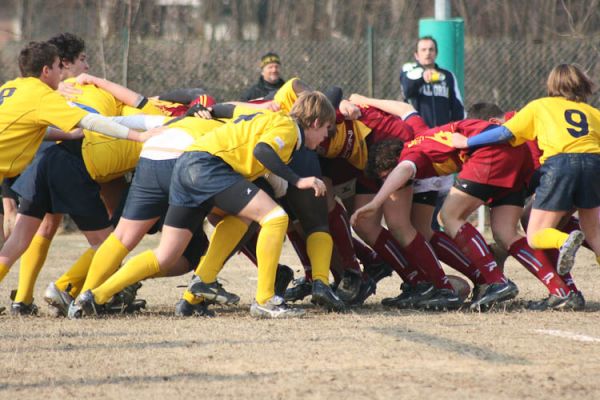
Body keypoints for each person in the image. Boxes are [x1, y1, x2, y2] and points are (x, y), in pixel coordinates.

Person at [70, 91, 337, 319]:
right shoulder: (289, 129)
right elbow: (262, 151)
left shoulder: (270, 118)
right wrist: (299, 180)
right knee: (275, 217)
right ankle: (265, 300)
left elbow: (228, 110)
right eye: (327, 130)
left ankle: (95, 296)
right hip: (207, 167)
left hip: (186, 166)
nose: (326, 137)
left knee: (167, 254)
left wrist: (207, 109)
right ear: (314, 122)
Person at [0, 41, 154, 294]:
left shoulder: (12, 87)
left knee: (17, 241)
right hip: (66, 166)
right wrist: (138, 137)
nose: (62, 73)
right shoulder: (42, 96)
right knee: (103, 242)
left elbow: (27, 126)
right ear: (46, 71)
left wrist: (69, 135)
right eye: (59, 67)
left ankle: (24, 298)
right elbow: (92, 121)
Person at [452, 63, 600, 281]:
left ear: (552, 83)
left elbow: (504, 133)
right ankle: (568, 242)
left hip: (560, 165)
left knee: (535, 234)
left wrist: (468, 141)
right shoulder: (593, 112)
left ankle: (563, 241)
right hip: (594, 164)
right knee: (595, 235)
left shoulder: (541, 106)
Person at [400, 36, 464, 128]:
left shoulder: (447, 75)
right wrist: (422, 77)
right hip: (416, 131)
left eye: (431, 50)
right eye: (423, 50)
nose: (428, 53)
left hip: (442, 132)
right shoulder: (409, 70)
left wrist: (457, 128)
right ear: (416, 55)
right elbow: (407, 91)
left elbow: (457, 107)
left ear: (436, 53)